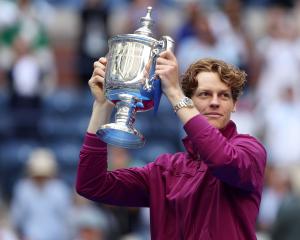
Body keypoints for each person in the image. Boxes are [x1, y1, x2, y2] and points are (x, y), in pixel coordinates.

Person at [76, 50, 267, 239]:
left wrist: (175, 93)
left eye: (224, 95)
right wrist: (101, 106)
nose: (215, 102)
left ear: (234, 105)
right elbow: (91, 184)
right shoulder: (165, 170)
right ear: (190, 101)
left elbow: (221, 159)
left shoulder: (250, 150)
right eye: (205, 94)